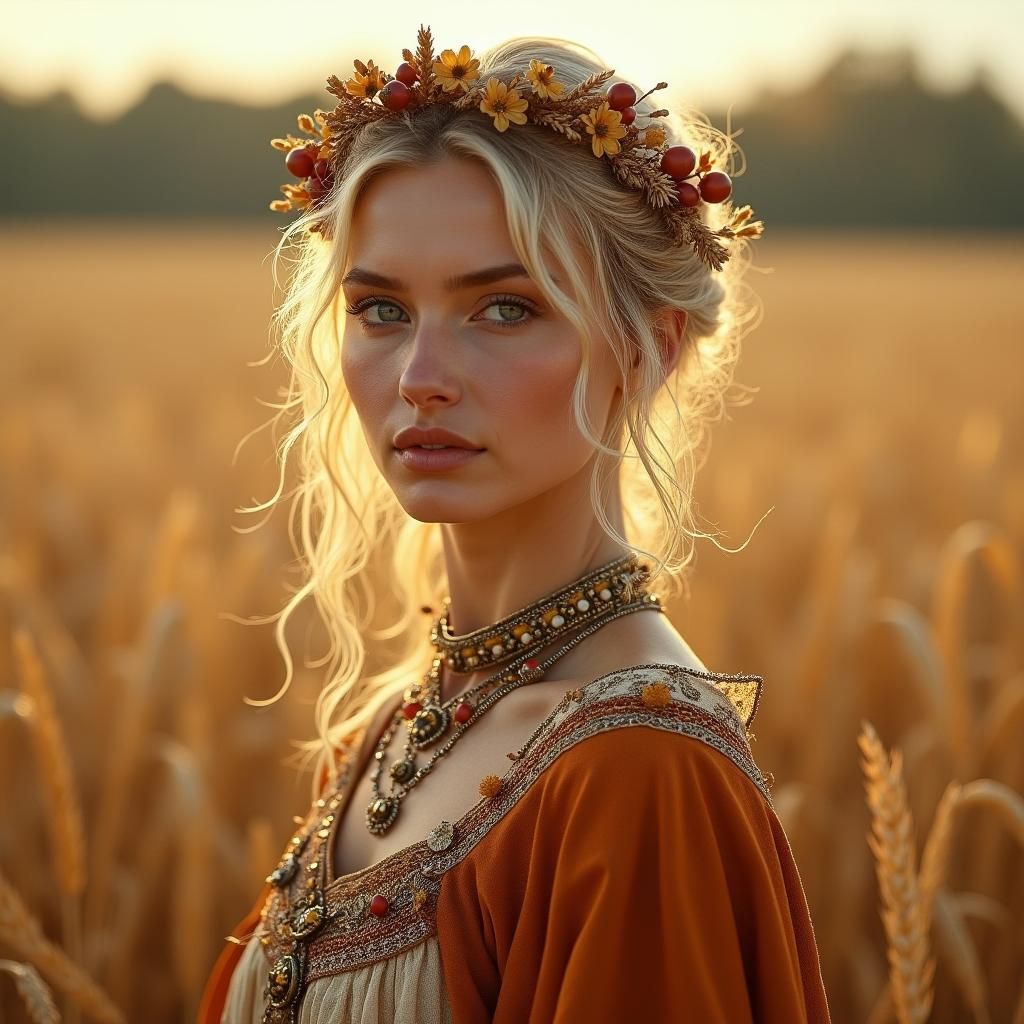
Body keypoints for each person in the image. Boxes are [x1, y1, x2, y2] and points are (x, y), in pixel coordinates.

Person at [199, 25, 831, 1024]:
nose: (420, 380)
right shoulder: (389, 732)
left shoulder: (637, 772)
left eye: (503, 309)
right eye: (379, 310)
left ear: (649, 348)